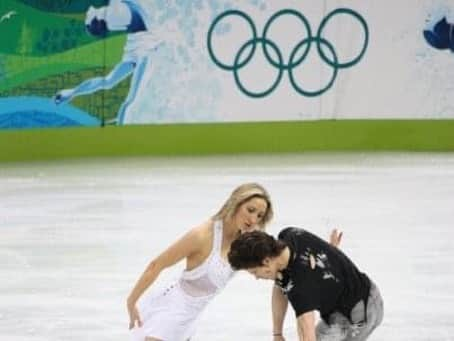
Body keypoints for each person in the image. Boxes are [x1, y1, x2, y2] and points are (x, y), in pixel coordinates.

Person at [127, 183, 273, 341]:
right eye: (250, 210)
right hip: (170, 311)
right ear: (236, 203)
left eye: (259, 216)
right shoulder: (202, 236)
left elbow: (266, 264)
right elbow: (156, 265)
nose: (253, 219)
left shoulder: (243, 240)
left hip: (191, 318)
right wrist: (131, 302)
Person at [228, 227, 383, 341]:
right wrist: (278, 334)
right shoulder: (289, 236)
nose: (256, 278)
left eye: (255, 272)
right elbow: (281, 285)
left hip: (357, 315)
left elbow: (307, 331)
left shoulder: (300, 288)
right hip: (368, 291)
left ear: (266, 261)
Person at [54, 0, 175, 125]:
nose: (89, 11)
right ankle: (119, 127)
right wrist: (73, 92)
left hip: (142, 45)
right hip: (141, 47)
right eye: (88, 17)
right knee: (125, 95)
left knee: (123, 94)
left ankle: (119, 126)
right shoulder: (114, 15)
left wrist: (72, 92)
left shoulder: (114, 14)